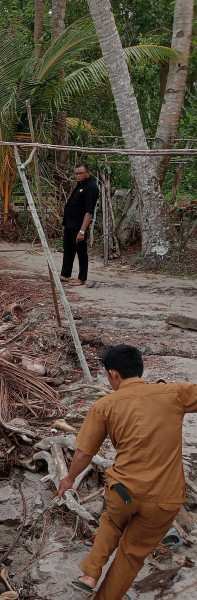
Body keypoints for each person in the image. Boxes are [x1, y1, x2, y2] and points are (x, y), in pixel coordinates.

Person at [58, 345, 197, 599]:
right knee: (130, 556)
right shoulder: (174, 393)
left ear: (113, 375)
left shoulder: (105, 405)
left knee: (111, 520)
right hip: (164, 499)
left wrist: (68, 480)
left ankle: (90, 573)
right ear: (139, 368)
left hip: (123, 492)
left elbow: (84, 453)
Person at [60, 163, 98, 287]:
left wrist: (82, 230)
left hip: (79, 225)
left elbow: (89, 211)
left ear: (88, 172)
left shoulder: (91, 187)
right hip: (70, 224)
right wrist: (65, 224)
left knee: (81, 252)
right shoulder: (79, 186)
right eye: (76, 173)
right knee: (68, 250)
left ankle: (82, 278)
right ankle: (65, 274)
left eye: (81, 173)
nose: (78, 175)